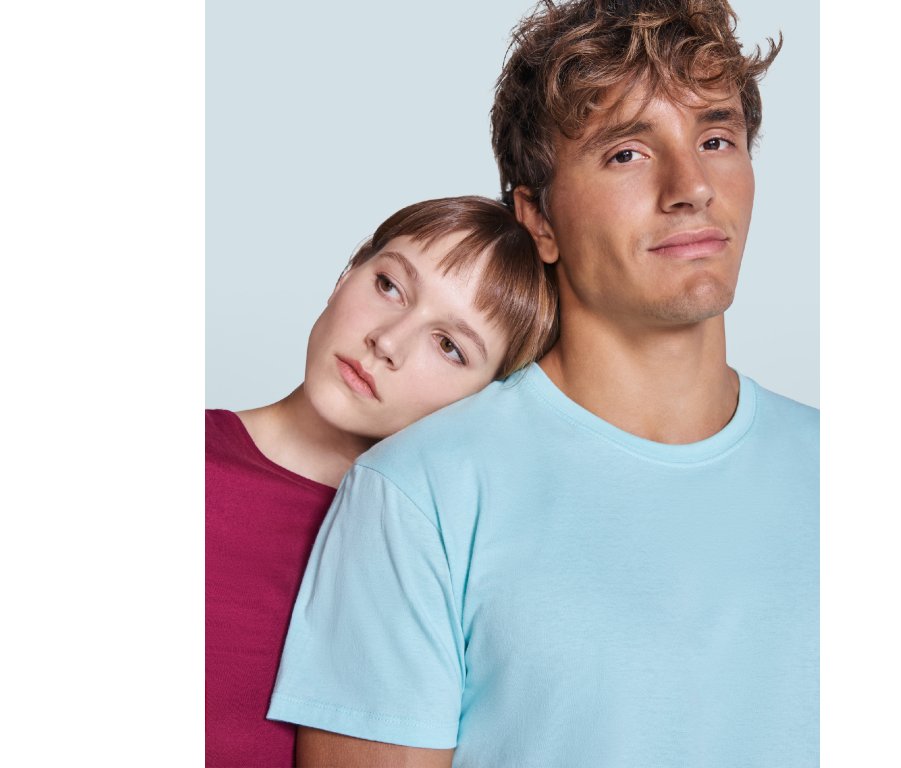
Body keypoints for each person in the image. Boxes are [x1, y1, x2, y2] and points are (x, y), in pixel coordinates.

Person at [269, 0, 818, 765]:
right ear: (539, 219)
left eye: (716, 139)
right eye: (627, 153)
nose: (691, 186)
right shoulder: (419, 497)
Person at [206, 195, 558, 767]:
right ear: (347, 272)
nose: (388, 343)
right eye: (390, 286)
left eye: (449, 346)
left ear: (485, 400)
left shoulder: (450, 568)